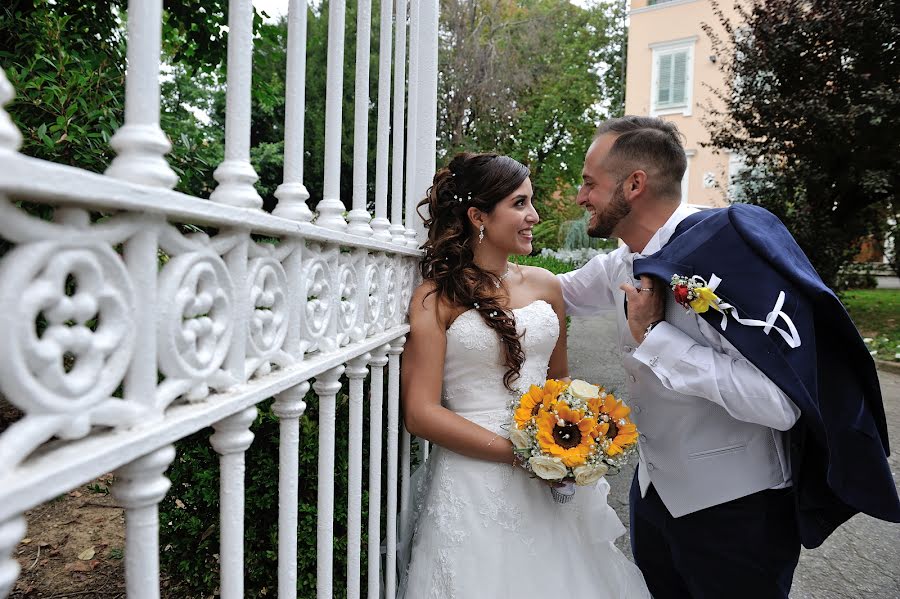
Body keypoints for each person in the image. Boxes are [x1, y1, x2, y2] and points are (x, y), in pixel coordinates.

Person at [557, 115, 900, 598]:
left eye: (590, 183)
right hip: (654, 497)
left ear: (634, 184)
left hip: (738, 514)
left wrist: (658, 339)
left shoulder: (725, 255)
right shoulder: (623, 261)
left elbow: (779, 405)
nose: (580, 197)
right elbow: (551, 293)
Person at [398, 152, 650, 598]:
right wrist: (522, 456)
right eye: (519, 204)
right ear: (478, 216)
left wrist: (579, 443)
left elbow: (561, 384)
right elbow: (420, 412)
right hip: (474, 478)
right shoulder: (435, 298)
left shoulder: (546, 286)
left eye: (531, 202)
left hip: (550, 476)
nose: (534, 215)